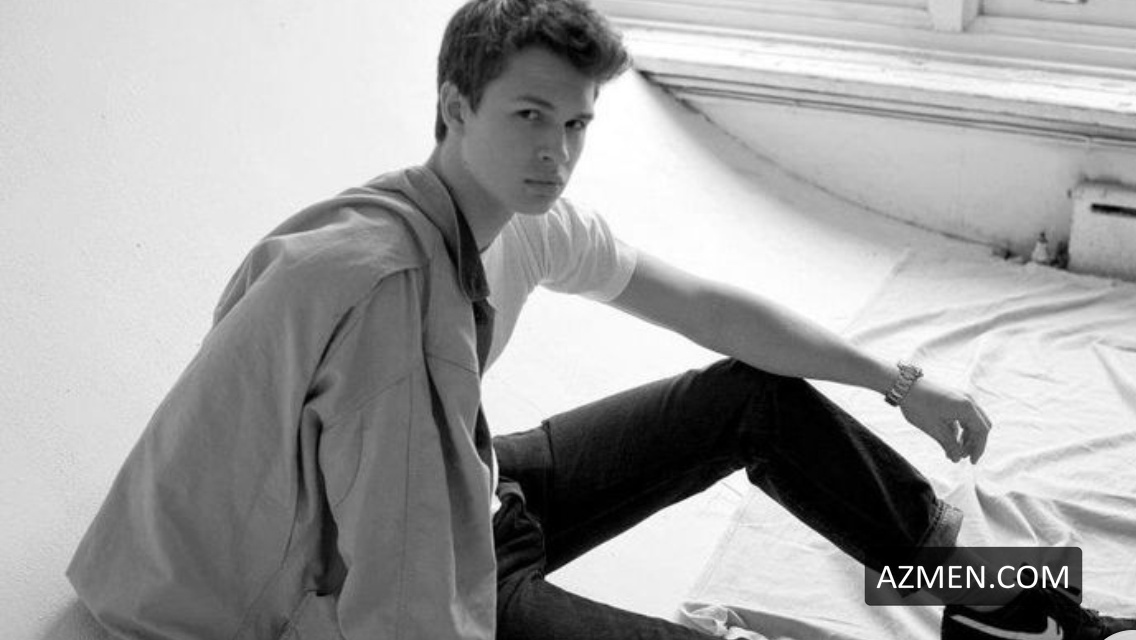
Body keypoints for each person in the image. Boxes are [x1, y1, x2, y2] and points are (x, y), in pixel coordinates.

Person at [68, 0, 1136, 638]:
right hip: (407, 574)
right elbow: (397, 595)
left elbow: (706, 307)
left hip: (480, 489)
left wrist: (898, 381)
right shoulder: (385, 289)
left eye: (576, 123)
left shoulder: (522, 221)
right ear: (454, 107)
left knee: (753, 401)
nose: (555, 151)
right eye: (528, 115)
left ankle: (987, 596)